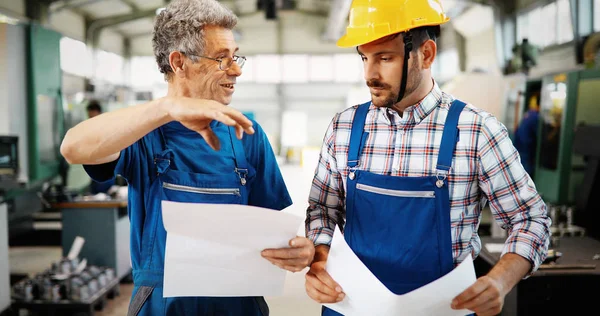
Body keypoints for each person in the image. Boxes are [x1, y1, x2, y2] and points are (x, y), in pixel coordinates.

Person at [60, 0, 314, 315]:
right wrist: (166, 108)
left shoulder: (246, 134)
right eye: (222, 59)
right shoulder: (142, 133)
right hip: (165, 305)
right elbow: (73, 147)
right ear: (179, 62)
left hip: (239, 302)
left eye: (235, 57)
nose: (236, 69)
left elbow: (268, 233)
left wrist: (297, 250)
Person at [303, 1, 551, 316]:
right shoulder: (344, 127)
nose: (370, 74)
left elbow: (530, 219)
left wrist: (501, 281)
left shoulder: (476, 131)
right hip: (350, 307)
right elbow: (323, 209)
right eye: (364, 58)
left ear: (427, 54)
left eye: (385, 58)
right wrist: (320, 263)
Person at [513, 94, 540, 177]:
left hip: (519, 146)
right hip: (527, 148)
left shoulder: (528, 113)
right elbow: (539, 134)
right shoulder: (536, 116)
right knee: (526, 173)